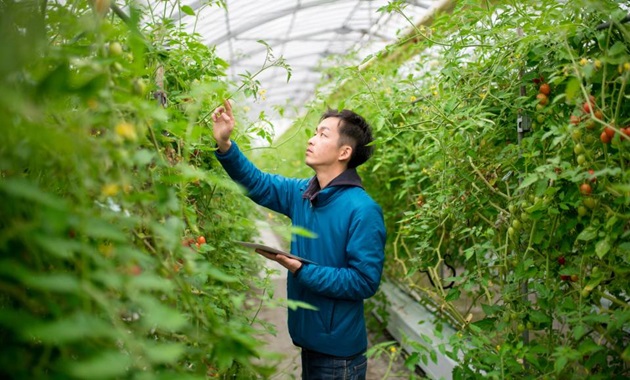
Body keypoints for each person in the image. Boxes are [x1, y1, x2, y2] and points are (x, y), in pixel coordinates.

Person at [211, 100, 386, 379]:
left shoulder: (362, 210)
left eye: (322, 134)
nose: (311, 139)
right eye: (315, 132)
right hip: (309, 341)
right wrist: (225, 145)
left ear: (345, 152)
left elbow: (364, 281)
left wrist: (302, 270)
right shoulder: (304, 193)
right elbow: (258, 183)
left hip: (339, 355)